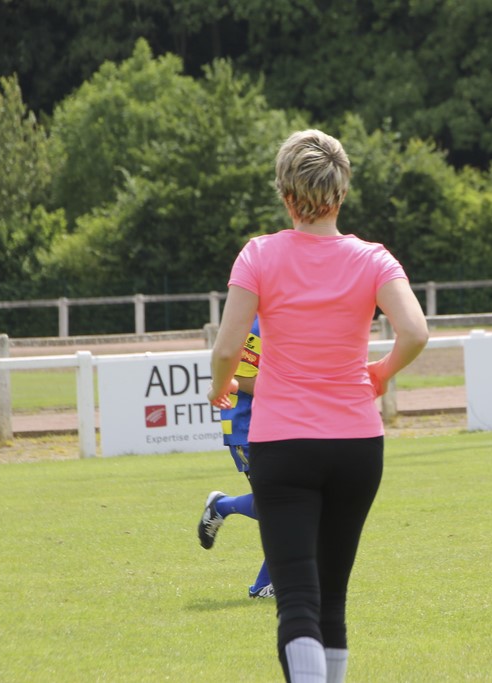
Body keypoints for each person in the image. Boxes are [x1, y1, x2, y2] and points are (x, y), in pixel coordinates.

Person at [207, 129, 429, 683]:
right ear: (342, 191)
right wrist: (380, 374)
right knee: (333, 601)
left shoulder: (259, 254)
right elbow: (415, 332)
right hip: (358, 445)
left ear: (286, 194)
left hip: (283, 444)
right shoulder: (374, 259)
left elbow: (228, 348)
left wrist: (219, 387)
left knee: (298, 602)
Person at [197, 317, 274, 598]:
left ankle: (222, 506)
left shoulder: (293, 315)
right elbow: (240, 378)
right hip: (249, 428)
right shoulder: (256, 326)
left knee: (291, 504)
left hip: (283, 425)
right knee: (285, 505)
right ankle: (266, 584)